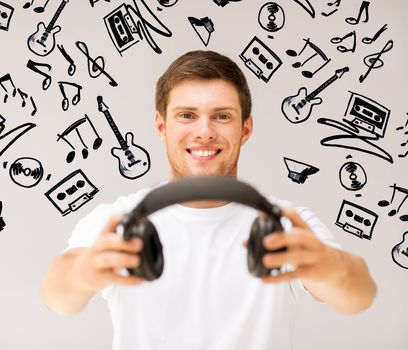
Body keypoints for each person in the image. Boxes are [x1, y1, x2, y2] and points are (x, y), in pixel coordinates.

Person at [41, 50, 377, 350]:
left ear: (246, 129)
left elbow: (359, 295)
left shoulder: (285, 224)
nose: (204, 132)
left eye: (222, 116)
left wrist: (326, 264)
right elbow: (58, 296)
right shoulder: (121, 220)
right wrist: (87, 269)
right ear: (161, 127)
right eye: (187, 115)